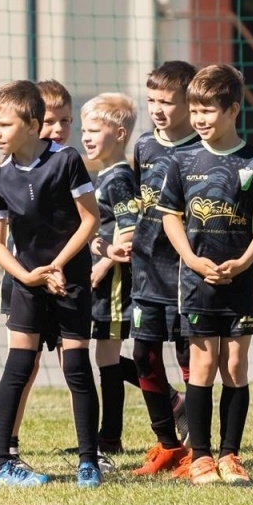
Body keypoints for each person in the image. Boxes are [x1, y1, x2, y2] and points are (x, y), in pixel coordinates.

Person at [158, 63, 253, 486]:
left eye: (208, 110)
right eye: (194, 110)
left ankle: (230, 456)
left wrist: (244, 260)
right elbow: (170, 216)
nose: (199, 119)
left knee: (235, 364)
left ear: (233, 110)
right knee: (203, 362)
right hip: (196, 281)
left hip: (240, 279)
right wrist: (191, 260)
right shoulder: (182, 159)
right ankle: (201, 458)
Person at [0, 81, 102, 488]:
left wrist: (58, 265)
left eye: (4, 125)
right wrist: (28, 275)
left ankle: (89, 462)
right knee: (18, 366)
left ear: (32, 126)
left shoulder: (66, 160)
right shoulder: (0, 178)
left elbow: (91, 219)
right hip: (28, 282)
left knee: (77, 367)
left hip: (70, 280)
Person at [128, 61, 202, 479]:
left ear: (189, 104)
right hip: (146, 270)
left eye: (166, 102)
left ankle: (196, 448)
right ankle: (168, 445)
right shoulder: (144, 146)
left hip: (185, 272)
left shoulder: (202, 150)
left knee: (189, 355)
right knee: (143, 355)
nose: (157, 109)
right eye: (151, 100)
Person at [82, 93, 141, 476]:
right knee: (105, 357)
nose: (85, 138)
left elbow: (131, 230)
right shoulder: (104, 175)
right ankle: (110, 434)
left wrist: (103, 265)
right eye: (84, 130)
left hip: (116, 283)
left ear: (119, 134)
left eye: (94, 131)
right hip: (105, 280)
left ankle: (113, 434)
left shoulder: (118, 177)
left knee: (107, 356)